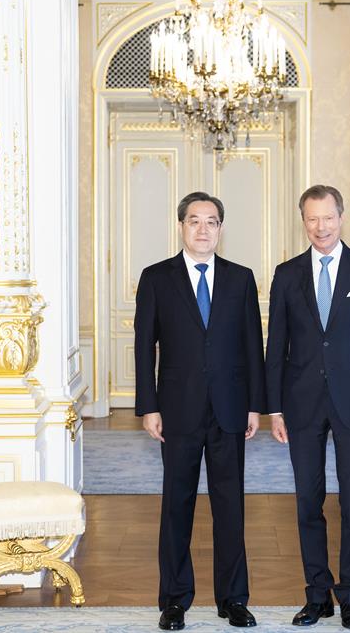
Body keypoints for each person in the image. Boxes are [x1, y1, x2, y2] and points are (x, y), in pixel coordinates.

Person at [265, 185, 350, 629]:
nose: (320, 227)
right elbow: (275, 346)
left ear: (341, 217)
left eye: (327, 217)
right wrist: (273, 409)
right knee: (308, 501)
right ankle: (316, 595)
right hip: (301, 403)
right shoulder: (287, 274)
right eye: (312, 218)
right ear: (303, 221)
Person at [134, 191, 265, 631]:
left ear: (221, 229)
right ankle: (174, 601)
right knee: (177, 506)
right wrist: (148, 406)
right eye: (194, 221)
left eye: (211, 221)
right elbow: (143, 347)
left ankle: (234, 599)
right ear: (181, 227)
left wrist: (255, 406)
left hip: (230, 410)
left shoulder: (241, 278)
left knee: (231, 508)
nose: (203, 229)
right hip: (177, 410)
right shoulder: (156, 278)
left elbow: (252, 345)